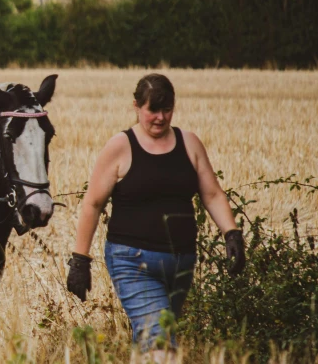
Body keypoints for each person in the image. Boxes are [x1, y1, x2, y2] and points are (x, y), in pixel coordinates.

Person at [66, 73, 245, 361]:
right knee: (161, 346)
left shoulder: (190, 144)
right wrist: (79, 260)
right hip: (133, 261)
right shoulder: (120, 146)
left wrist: (232, 234)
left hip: (181, 265)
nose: (160, 118)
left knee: (156, 341)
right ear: (136, 107)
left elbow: (212, 194)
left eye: (167, 110)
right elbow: (92, 204)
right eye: (153, 110)